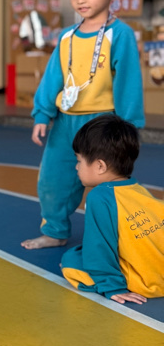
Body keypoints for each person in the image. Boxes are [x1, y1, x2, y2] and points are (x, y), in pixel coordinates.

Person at [22, 0, 144, 250]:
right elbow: (53, 77)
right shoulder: (67, 36)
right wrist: (42, 114)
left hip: (102, 122)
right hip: (65, 123)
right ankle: (55, 231)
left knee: (107, 182)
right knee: (52, 179)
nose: (80, 0)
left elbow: (128, 81)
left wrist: (128, 126)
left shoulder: (120, 34)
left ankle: (111, 238)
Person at [60, 115, 164, 304]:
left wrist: (112, 287)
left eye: (79, 161)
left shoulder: (99, 197)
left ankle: (110, 281)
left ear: (100, 166)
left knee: (71, 260)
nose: (76, 167)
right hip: (160, 272)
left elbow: (99, 246)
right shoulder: (138, 188)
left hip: (143, 282)